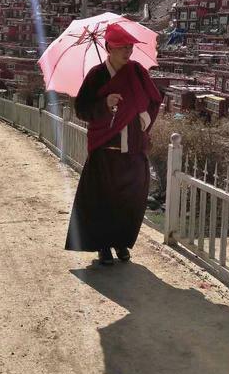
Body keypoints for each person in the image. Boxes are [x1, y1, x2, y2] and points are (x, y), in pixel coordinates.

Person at [65, 23, 162, 265]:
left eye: (129, 47)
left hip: (133, 149)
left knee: (131, 199)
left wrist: (144, 117)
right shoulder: (96, 76)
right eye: (121, 48)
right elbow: (82, 110)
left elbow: (153, 100)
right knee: (102, 200)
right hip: (105, 149)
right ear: (109, 48)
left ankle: (121, 242)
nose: (127, 52)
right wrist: (105, 103)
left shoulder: (138, 72)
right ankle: (103, 246)